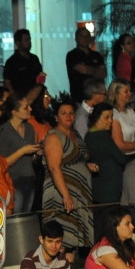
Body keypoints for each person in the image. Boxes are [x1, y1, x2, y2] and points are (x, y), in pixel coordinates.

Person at [41, 99, 95, 254]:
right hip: (61, 191)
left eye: (71, 113)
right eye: (63, 113)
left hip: (80, 191)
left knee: (75, 238)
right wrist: (66, 195)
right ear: (56, 117)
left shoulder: (75, 134)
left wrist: (87, 165)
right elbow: (54, 167)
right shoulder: (54, 136)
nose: (68, 116)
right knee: (63, 236)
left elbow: (76, 158)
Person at [0, 95, 42, 215]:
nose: (30, 109)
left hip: (29, 178)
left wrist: (37, 153)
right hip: (13, 180)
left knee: (26, 215)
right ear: (14, 111)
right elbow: (2, 163)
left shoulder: (29, 128)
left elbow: (31, 158)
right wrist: (23, 151)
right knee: (15, 216)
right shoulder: (4, 131)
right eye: (26, 107)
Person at [86, 102, 127, 211]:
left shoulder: (88, 135)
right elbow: (121, 159)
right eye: (106, 117)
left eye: (111, 117)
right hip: (109, 189)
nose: (110, 120)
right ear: (96, 118)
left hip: (98, 187)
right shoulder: (103, 136)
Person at [3, 28, 44, 104]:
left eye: (30, 40)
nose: (29, 42)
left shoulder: (34, 59)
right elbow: (7, 83)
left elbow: (40, 77)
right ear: (18, 43)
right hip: (21, 100)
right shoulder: (11, 62)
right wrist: (15, 99)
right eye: (26, 40)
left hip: (36, 99)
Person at [66, 27, 107, 102]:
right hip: (79, 97)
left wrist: (89, 69)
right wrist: (96, 70)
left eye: (87, 36)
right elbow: (83, 70)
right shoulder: (72, 55)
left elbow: (103, 74)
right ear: (76, 38)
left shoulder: (97, 55)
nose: (85, 38)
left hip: (98, 97)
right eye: (82, 36)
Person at [107, 79, 135, 155]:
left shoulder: (129, 110)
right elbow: (119, 145)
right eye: (126, 92)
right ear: (116, 94)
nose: (130, 94)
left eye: (130, 91)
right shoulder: (114, 114)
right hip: (124, 157)